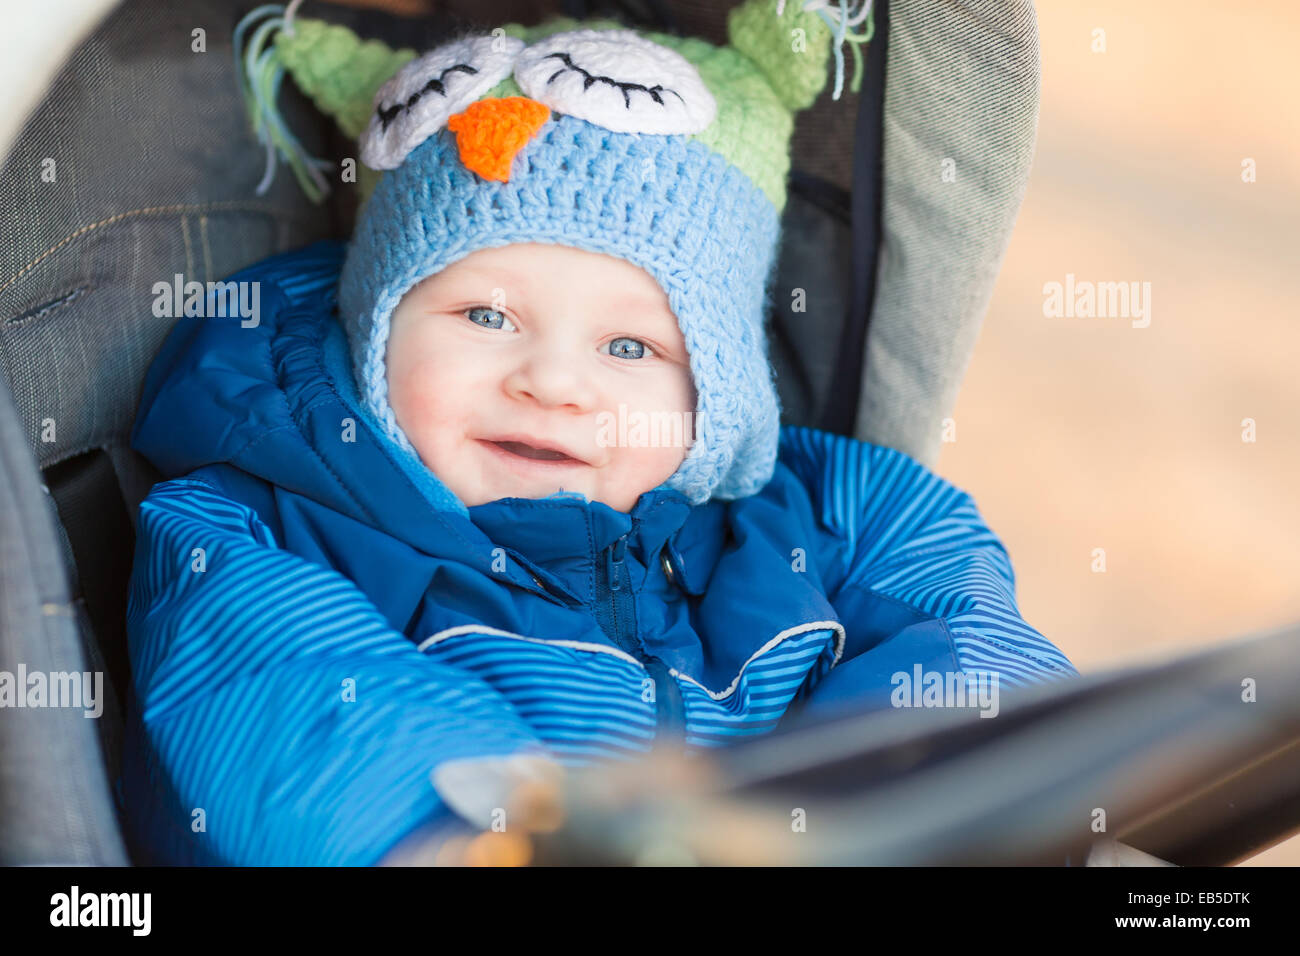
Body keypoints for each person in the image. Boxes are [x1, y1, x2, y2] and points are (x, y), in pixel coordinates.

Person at [120, 0, 1079, 865]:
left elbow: (957, 619)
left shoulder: (814, 522)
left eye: (630, 346)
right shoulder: (267, 527)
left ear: (717, 385)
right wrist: (467, 838)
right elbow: (288, 694)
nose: (554, 384)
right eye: (486, 318)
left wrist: (967, 780)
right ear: (371, 327)